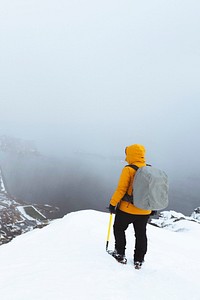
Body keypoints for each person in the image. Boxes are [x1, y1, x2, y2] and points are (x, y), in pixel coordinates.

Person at [108, 144, 151, 268]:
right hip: (145, 210)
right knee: (141, 234)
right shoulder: (149, 169)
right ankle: (139, 260)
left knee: (119, 228)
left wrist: (112, 204)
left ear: (130, 154)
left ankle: (120, 254)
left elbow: (121, 189)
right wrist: (152, 208)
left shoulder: (129, 169)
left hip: (127, 209)